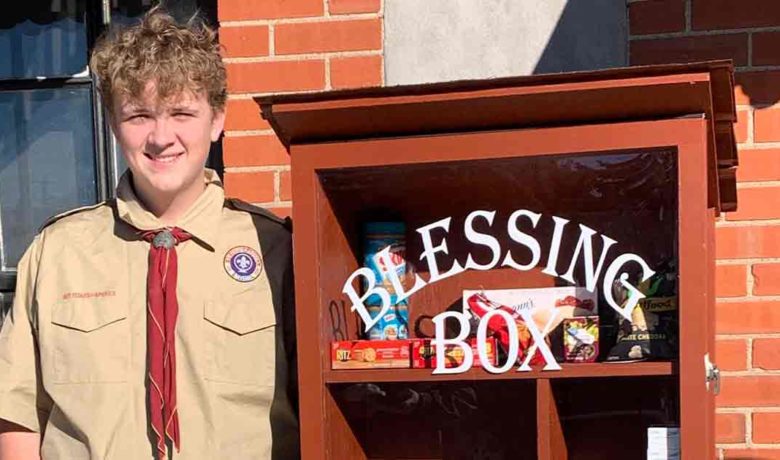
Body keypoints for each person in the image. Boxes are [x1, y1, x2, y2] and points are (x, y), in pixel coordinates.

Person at [0, 7, 299, 459]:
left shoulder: (277, 251)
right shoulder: (58, 253)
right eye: (139, 115)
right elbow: (18, 414)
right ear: (112, 121)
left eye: (181, 113)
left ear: (217, 119)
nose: (161, 137)